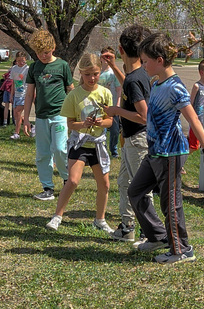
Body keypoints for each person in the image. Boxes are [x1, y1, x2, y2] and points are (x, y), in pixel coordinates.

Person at [128, 32, 204, 263]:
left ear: (160, 60)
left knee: (170, 203)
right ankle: (158, 236)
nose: (143, 65)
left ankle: (182, 250)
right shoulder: (155, 82)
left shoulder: (175, 87)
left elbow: (193, 119)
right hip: (155, 152)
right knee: (135, 191)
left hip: (171, 154)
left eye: (146, 61)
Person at [46, 53, 114, 234]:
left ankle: (100, 219)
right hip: (80, 144)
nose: (92, 78)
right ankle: (57, 216)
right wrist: (83, 124)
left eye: (96, 74)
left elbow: (111, 121)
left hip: (98, 145)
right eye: (87, 74)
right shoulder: (74, 95)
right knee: (73, 180)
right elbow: (69, 124)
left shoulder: (105, 93)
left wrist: (102, 122)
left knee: (105, 184)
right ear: (81, 74)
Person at [101, 23, 152, 242]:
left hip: (138, 140)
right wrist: (114, 67)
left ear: (121, 49)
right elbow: (131, 86)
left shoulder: (134, 79)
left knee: (140, 187)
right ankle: (127, 227)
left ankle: (147, 232)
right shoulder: (138, 74)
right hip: (130, 139)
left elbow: (143, 115)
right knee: (124, 183)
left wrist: (116, 110)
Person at [23, 30, 74, 201]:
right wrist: (25, 118)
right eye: (38, 53)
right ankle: (47, 188)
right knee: (43, 153)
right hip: (41, 117)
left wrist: (74, 113)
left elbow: (71, 90)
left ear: (52, 48)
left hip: (60, 115)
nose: (42, 56)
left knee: (59, 149)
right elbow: (29, 94)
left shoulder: (62, 66)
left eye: (45, 52)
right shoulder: (34, 67)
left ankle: (68, 180)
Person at [98, 47, 121, 158]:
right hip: (99, 107)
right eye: (104, 56)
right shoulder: (97, 72)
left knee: (115, 131)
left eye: (109, 57)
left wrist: (117, 105)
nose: (106, 59)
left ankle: (114, 150)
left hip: (112, 106)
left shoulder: (113, 73)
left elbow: (118, 90)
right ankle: (103, 150)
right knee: (102, 130)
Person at [8, 51, 29, 140]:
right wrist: (11, 95)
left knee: (17, 112)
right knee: (16, 115)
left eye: (23, 61)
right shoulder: (14, 69)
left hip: (24, 94)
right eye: (19, 61)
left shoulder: (27, 69)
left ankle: (16, 133)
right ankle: (30, 126)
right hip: (16, 94)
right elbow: (13, 83)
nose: (21, 63)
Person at [187, 58, 204, 153]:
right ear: (202, 72)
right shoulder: (197, 86)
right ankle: (179, 162)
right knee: (194, 146)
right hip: (196, 121)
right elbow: (190, 104)